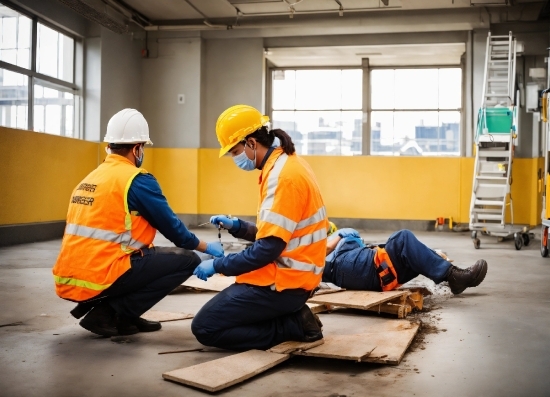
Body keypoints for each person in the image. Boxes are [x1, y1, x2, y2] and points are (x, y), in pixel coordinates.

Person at [52, 109, 224, 337]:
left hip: (70, 275)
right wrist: (206, 247)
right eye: (142, 147)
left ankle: (125, 316)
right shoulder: (137, 180)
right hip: (102, 273)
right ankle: (110, 313)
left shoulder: (91, 178)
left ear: (109, 146)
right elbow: (175, 230)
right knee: (186, 261)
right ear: (136, 149)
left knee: (149, 255)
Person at [190, 104, 328, 351]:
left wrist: (218, 265)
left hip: (285, 282)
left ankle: (293, 325)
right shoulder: (287, 164)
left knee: (205, 327)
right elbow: (278, 231)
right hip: (297, 276)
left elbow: (267, 249)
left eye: (234, 151)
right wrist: (238, 227)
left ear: (252, 143)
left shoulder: (282, 178)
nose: (235, 158)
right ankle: (290, 315)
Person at [323, 228, 488, 294]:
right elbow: (321, 252)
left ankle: (453, 277)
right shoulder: (333, 240)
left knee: (414, 257)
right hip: (344, 266)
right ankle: (453, 276)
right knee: (402, 238)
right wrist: (340, 236)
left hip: (365, 271)